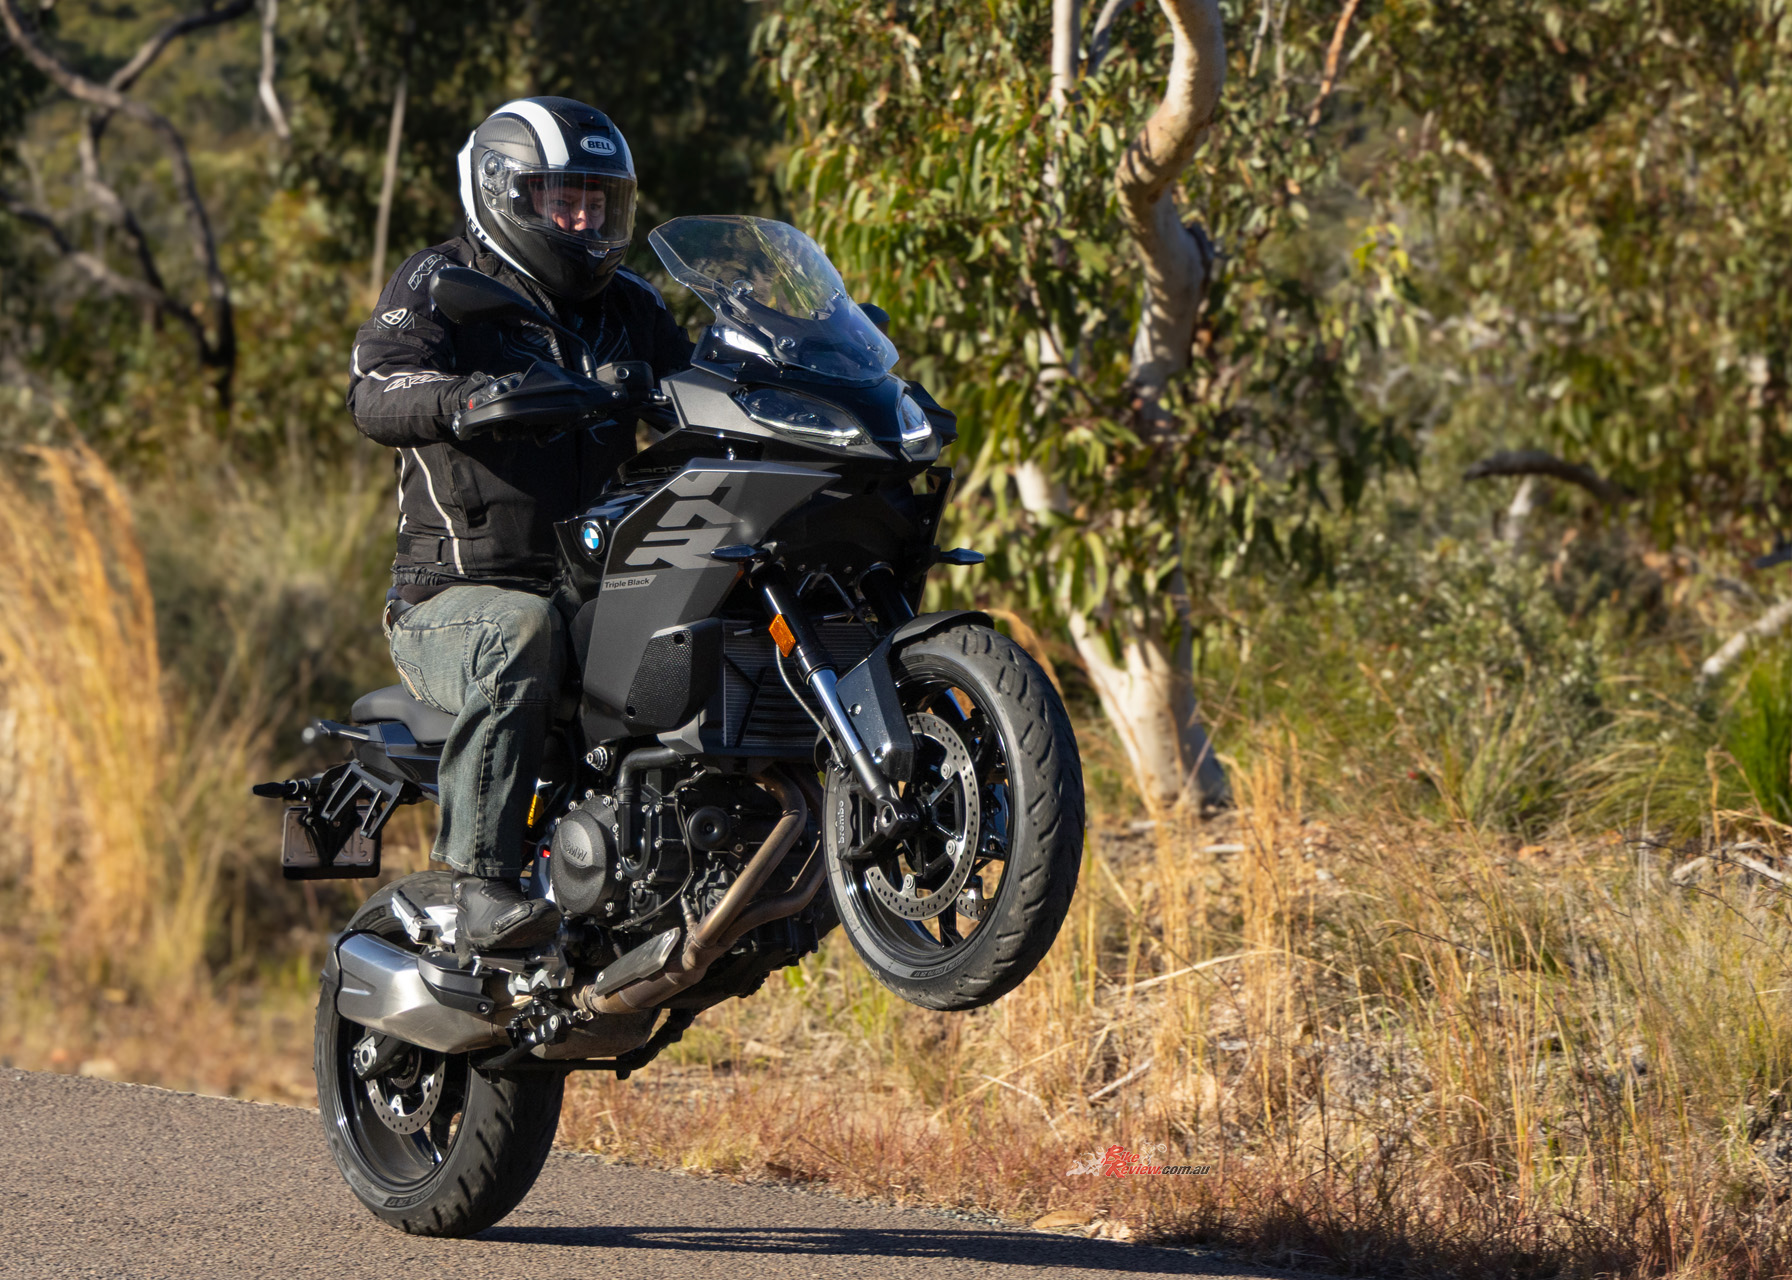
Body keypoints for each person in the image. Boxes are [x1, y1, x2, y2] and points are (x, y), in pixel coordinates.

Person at [347, 97, 693, 951]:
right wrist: (465, 398)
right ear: (502, 191)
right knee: (519, 631)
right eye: (561, 199)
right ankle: (479, 882)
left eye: (597, 202)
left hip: (594, 587)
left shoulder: (630, 305)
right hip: (453, 603)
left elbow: (697, 391)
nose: (583, 221)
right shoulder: (439, 282)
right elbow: (376, 389)